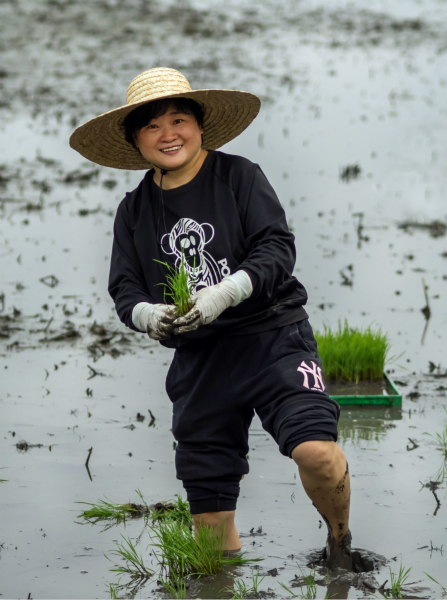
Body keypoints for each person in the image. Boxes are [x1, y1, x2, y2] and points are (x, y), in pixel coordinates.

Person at [70, 67, 352, 569]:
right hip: (199, 362)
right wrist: (149, 315)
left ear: (201, 127)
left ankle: (340, 542)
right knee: (209, 528)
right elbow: (124, 290)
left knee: (316, 453)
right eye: (152, 127)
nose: (168, 134)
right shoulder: (133, 211)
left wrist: (226, 292)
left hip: (273, 339)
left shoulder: (239, 177)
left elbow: (276, 248)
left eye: (179, 120)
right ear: (137, 140)